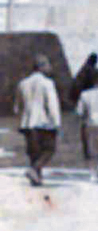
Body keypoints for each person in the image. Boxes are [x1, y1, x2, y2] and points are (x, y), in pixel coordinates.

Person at [14, 56, 61, 187]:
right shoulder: (47, 83)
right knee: (49, 149)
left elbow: (17, 106)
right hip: (43, 123)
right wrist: (56, 123)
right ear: (41, 66)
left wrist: (21, 121)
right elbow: (52, 105)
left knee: (33, 152)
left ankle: (37, 178)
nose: (50, 68)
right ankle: (34, 170)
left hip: (27, 123)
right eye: (47, 65)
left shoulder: (22, 83)